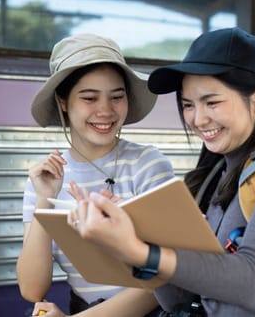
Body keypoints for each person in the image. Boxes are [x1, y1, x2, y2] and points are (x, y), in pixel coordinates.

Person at [65, 27, 255, 316]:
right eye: (188, 105)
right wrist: (141, 229)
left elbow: (251, 281)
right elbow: (175, 298)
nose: (198, 118)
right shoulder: (213, 173)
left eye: (212, 102)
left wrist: (139, 251)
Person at [16, 33, 175, 316]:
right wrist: (44, 201)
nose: (105, 111)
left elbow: (160, 280)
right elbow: (31, 289)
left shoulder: (148, 164)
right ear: (63, 102)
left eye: (117, 97)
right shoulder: (45, 179)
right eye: (89, 98)